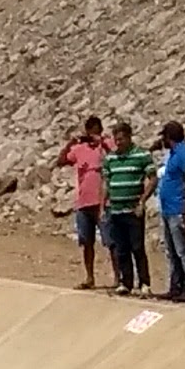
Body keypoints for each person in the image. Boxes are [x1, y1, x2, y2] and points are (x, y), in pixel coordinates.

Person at [101, 118, 154, 293]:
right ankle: (126, 282)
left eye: (121, 139)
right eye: (116, 139)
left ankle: (144, 283)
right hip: (116, 210)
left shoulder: (141, 155)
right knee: (121, 248)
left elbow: (153, 179)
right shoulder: (110, 158)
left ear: (129, 137)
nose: (118, 143)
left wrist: (142, 201)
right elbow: (106, 183)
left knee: (137, 247)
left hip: (133, 209)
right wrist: (103, 205)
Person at [60, 114, 109, 284]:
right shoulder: (80, 149)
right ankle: (89, 277)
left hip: (102, 202)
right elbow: (61, 160)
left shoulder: (104, 147)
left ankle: (119, 278)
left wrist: (101, 141)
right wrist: (71, 143)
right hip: (83, 202)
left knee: (111, 242)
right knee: (86, 242)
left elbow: (116, 150)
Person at [155, 120, 185, 300]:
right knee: (172, 252)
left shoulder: (184, 154)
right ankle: (176, 285)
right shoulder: (173, 153)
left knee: (184, 250)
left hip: (179, 208)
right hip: (168, 209)